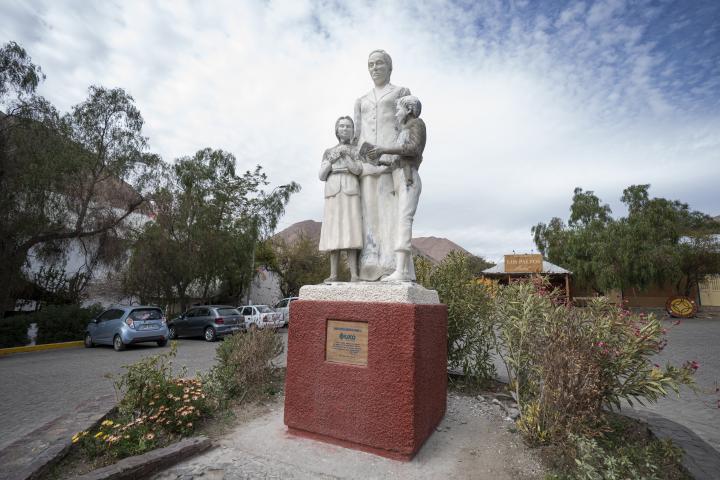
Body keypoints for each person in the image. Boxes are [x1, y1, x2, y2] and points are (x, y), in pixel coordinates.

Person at [353, 49, 411, 280]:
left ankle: (389, 261)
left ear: (389, 67)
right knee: (369, 212)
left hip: (390, 161)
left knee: (390, 211)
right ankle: (370, 257)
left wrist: (398, 156)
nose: (375, 68)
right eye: (371, 64)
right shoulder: (361, 100)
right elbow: (357, 135)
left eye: (379, 63)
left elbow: (406, 127)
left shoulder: (401, 92)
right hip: (367, 164)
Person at [367, 95, 426, 281]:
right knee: (400, 221)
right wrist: (380, 159)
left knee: (404, 221)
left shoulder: (417, 124)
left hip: (408, 179)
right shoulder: (404, 130)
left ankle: (401, 271)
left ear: (409, 109)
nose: (396, 113)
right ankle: (406, 271)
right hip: (399, 177)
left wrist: (384, 149)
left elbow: (413, 149)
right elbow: (398, 159)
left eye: (399, 109)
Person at [318, 116, 363, 282]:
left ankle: (355, 275)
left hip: (350, 189)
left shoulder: (356, 150)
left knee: (351, 230)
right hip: (333, 190)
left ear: (352, 130)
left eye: (348, 126)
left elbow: (359, 170)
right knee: (333, 231)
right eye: (342, 126)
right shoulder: (329, 151)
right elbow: (321, 175)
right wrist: (333, 158)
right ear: (336, 130)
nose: (345, 129)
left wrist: (348, 157)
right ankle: (333, 274)